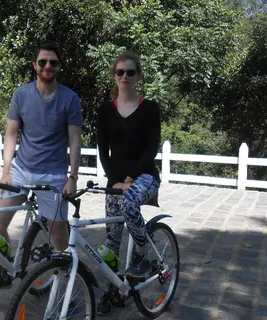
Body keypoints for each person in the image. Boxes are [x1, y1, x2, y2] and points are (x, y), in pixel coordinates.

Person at [0, 40, 82, 295]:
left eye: (53, 62)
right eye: (43, 62)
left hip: (54, 174)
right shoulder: (21, 94)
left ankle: (63, 284)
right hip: (21, 170)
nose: (48, 66)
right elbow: (11, 133)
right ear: (34, 65)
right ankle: (7, 271)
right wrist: (6, 171)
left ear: (58, 66)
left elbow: (75, 139)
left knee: (59, 235)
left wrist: (73, 177)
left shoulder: (70, 98)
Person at [96, 50, 161, 315]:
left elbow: (151, 149)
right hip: (116, 179)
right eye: (120, 72)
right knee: (111, 241)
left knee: (130, 201)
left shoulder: (150, 108)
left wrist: (130, 179)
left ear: (138, 76)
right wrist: (115, 181)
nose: (125, 77)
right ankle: (111, 292)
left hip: (144, 176)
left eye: (130, 72)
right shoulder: (105, 110)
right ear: (114, 76)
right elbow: (103, 150)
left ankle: (142, 254)